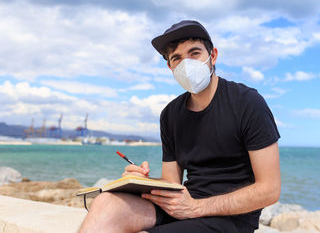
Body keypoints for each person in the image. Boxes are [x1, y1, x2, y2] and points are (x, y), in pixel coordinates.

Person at [79, 20, 281, 233]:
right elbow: (171, 181)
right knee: (106, 203)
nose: (186, 64)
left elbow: (269, 190)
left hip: (230, 219)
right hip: (182, 206)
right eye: (177, 58)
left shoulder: (247, 103)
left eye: (194, 53)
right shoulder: (171, 114)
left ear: (213, 56)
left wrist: (196, 208)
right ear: (170, 66)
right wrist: (140, 183)